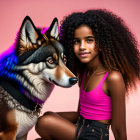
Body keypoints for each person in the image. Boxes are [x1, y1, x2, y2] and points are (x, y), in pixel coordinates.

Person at [35, 9, 140, 140]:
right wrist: (50, 116)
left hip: (95, 135)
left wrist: (50, 121)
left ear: (101, 44)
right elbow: (80, 114)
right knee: (45, 119)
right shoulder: (85, 73)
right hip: (81, 127)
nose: (82, 46)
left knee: (44, 122)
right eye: (76, 41)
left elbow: (118, 129)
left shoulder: (113, 77)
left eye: (89, 40)